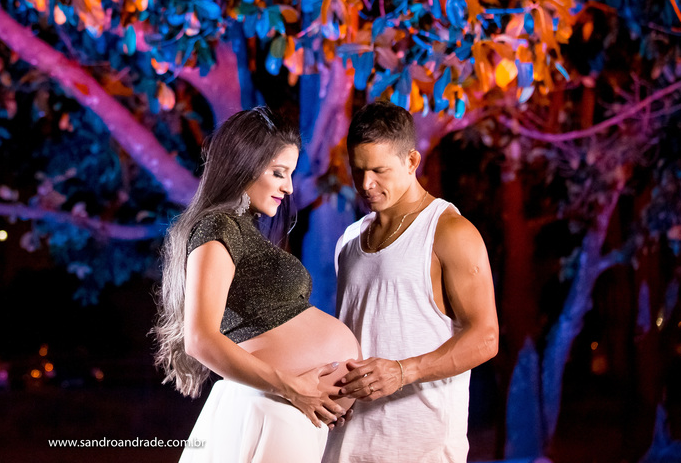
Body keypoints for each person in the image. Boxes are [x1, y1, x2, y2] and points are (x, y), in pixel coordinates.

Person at [153, 107, 360, 462]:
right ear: (244, 164)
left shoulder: (241, 228)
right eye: (279, 173)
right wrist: (292, 387)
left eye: (291, 174)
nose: (289, 187)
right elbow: (200, 339)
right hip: (275, 407)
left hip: (289, 413)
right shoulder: (218, 227)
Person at [322, 101, 499, 463]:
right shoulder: (348, 242)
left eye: (379, 170)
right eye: (357, 171)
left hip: (422, 450)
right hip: (344, 449)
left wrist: (403, 371)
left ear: (412, 161)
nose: (366, 184)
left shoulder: (449, 231)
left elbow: (486, 337)